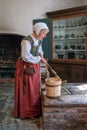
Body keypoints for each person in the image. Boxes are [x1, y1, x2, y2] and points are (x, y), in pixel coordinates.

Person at [14, 22, 49, 119]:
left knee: (34, 88)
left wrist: (41, 55)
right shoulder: (27, 41)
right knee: (27, 88)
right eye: (43, 33)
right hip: (26, 67)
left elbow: (39, 50)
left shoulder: (39, 40)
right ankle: (26, 112)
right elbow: (25, 56)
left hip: (34, 66)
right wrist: (39, 59)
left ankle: (34, 111)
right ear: (38, 31)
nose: (45, 36)